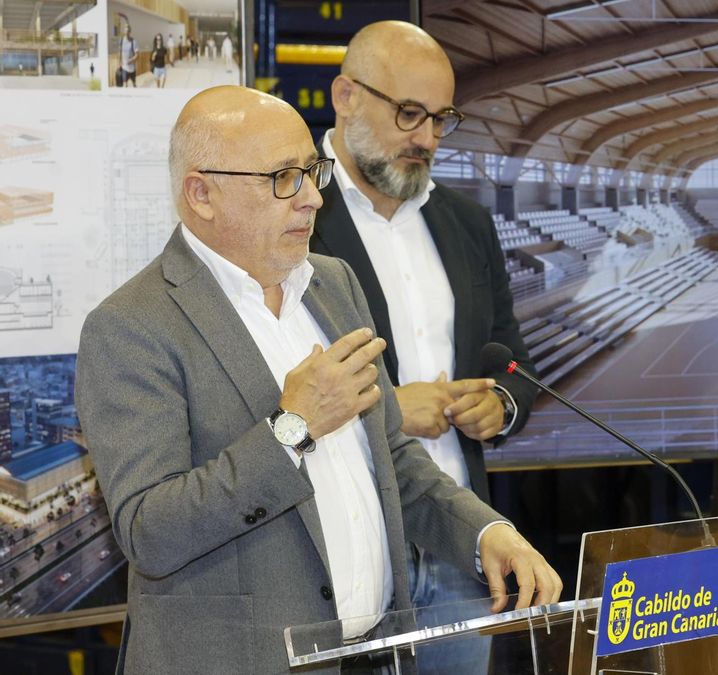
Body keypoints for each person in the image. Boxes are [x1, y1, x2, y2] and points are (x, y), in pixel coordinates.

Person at [75, 86, 561, 675]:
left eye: (312, 172)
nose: (310, 199)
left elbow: (395, 461)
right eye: (283, 177)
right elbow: (151, 533)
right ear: (201, 193)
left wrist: (485, 531)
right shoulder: (131, 326)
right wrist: (293, 427)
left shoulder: (333, 284)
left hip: (374, 654)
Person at [313, 22, 538, 671]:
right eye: (410, 114)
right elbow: (259, 382)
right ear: (346, 95)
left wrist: (500, 403)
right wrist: (385, 405)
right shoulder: (294, 215)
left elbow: (514, 361)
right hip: (343, 548)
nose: (428, 139)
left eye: (442, 119)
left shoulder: (465, 222)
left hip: (459, 545)